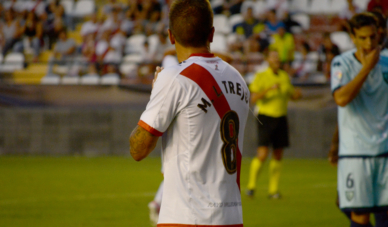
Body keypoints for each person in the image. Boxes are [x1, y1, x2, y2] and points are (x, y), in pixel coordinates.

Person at [129, 1, 250, 226]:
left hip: (186, 217)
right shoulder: (239, 80)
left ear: (171, 36)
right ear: (211, 33)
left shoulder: (173, 78)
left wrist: (156, 96)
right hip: (232, 217)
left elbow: (138, 149)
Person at [331, 12, 388, 227]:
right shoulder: (341, 64)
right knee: (360, 216)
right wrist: (367, 68)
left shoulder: (386, 62)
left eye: (373, 37)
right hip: (356, 154)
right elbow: (342, 98)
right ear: (353, 38)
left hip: (385, 151)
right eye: (362, 38)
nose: (369, 42)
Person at [246, 49, 302, 199]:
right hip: (265, 117)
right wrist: (268, 89)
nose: (277, 60)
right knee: (263, 154)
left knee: (278, 154)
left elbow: (291, 95)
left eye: (278, 57)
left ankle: (273, 190)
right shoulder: (261, 76)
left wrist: (297, 94)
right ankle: (251, 186)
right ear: (267, 60)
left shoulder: (284, 76)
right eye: (273, 57)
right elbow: (253, 98)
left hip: (281, 117)